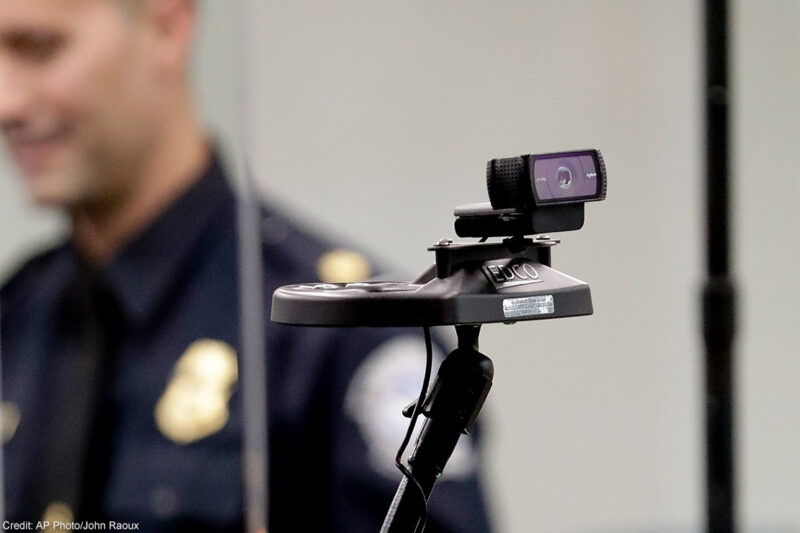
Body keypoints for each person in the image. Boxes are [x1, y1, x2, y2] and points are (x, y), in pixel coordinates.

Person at [0, 0, 491, 531]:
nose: (7, 103)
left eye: (40, 48)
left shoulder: (332, 334)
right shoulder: (19, 314)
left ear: (166, 28)